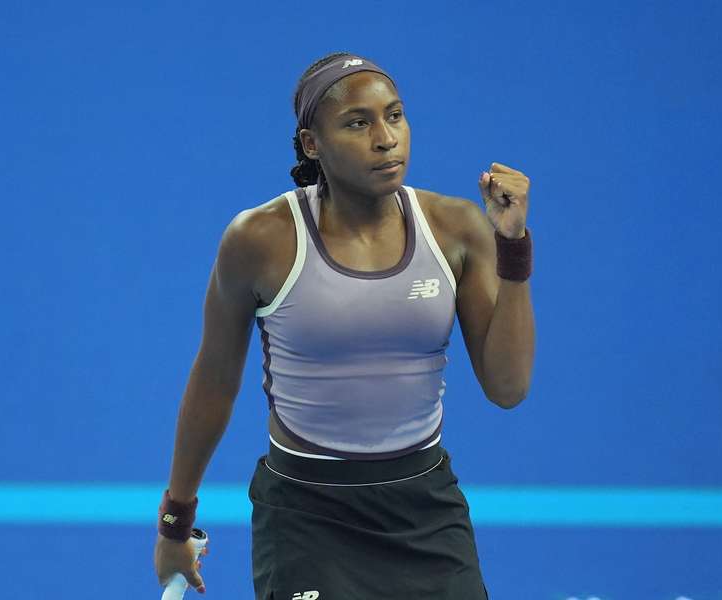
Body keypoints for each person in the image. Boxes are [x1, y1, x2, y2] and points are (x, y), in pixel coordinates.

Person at [153, 51, 535, 599]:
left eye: (395, 116)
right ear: (313, 144)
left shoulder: (455, 228)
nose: (386, 138)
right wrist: (175, 522)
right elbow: (214, 382)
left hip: (425, 507)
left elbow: (508, 387)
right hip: (305, 514)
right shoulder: (260, 239)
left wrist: (512, 248)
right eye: (359, 123)